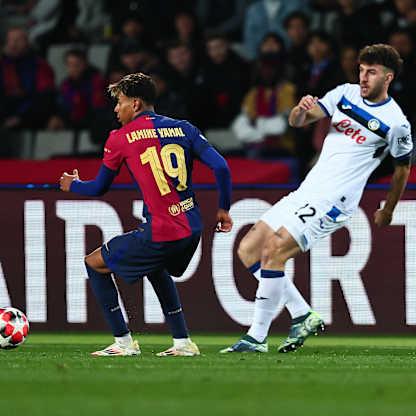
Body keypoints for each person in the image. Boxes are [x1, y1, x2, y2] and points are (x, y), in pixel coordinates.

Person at [221, 43, 413, 354]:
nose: (364, 78)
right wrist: (299, 109)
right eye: (362, 70)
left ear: (388, 78)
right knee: (247, 249)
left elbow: (403, 168)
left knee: (274, 250)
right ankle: (302, 314)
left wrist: (389, 209)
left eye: (372, 72)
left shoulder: (396, 122)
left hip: (335, 200)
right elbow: (299, 121)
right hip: (308, 191)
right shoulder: (344, 94)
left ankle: (256, 338)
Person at [59, 72, 233, 357]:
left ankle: (123, 343)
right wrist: (224, 208)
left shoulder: (120, 138)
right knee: (155, 267)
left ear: (136, 104)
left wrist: (72, 185)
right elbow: (222, 167)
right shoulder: (184, 128)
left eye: (121, 102)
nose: (116, 109)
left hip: (162, 230)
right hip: (192, 227)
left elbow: (100, 188)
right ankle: (182, 343)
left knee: (94, 263)